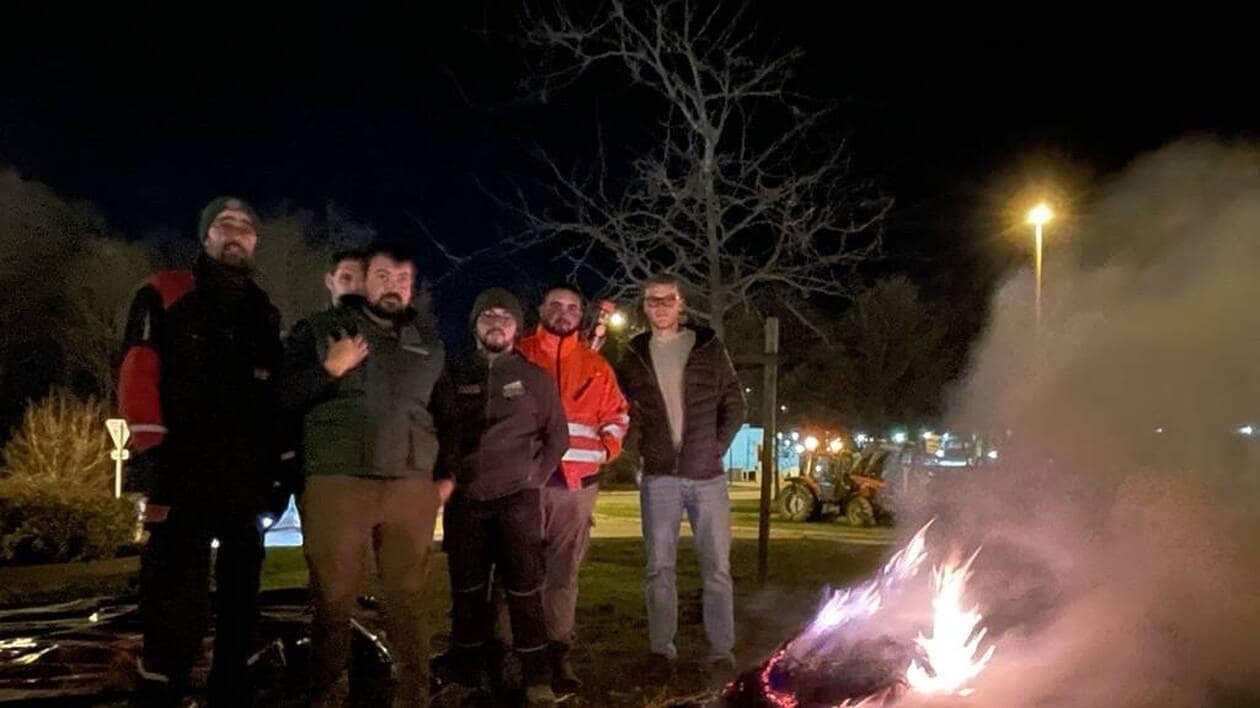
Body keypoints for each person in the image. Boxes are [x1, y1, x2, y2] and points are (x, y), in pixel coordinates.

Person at [118, 196, 282, 706]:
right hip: (182, 471)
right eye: (223, 224)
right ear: (206, 236)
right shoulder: (163, 292)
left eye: (246, 226)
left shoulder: (263, 311)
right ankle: (162, 687)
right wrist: (151, 451)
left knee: (240, 595)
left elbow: (272, 395)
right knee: (174, 593)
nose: (236, 233)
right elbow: (137, 371)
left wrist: (276, 471)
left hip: (244, 478)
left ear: (255, 241)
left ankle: (230, 687)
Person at [279, 244, 448, 707]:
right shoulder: (320, 331)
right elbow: (280, 397)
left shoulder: (427, 342)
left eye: (403, 278)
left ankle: (414, 695)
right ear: (365, 281)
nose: (393, 284)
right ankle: (329, 692)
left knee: (408, 599)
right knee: (333, 599)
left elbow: (447, 411)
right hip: (338, 481)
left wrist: (445, 475)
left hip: (409, 486)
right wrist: (328, 369)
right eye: (383, 275)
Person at [430, 288, 569, 705]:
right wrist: (444, 476)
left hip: (518, 503)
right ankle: (468, 674)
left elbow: (557, 438)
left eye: (505, 317)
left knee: (525, 592)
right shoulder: (452, 374)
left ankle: (536, 677)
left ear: (516, 327)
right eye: (488, 315)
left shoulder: (534, 378)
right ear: (475, 324)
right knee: (467, 593)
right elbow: (435, 430)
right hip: (465, 503)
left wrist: (534, 478)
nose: (496, 323)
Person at [614, 273, 747, 678]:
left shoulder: (707, 346)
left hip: (707, 477)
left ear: (680, 303)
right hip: (659, 478)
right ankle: (661, 650)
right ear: (645, 306)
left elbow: (735, 405)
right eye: (652, 300)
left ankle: (721, 650)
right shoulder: (633, 354)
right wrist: (637, 454)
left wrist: (715, 448)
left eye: (667, 299)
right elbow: (622, 410)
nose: (659, 306)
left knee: (717, 569)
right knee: (659, 568)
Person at [516, 283, 629, 691]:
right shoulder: (520, 354)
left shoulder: (596, 366)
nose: (564, 313)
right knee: (517, 571)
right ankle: (511, 652)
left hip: (577, 487)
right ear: (541, 309)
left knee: (563, 576)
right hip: (525, 486)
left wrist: (606, 449)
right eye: (556, 306)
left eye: (572, 307)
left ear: (581, 316)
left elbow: (617, 415)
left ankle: (557, 652)